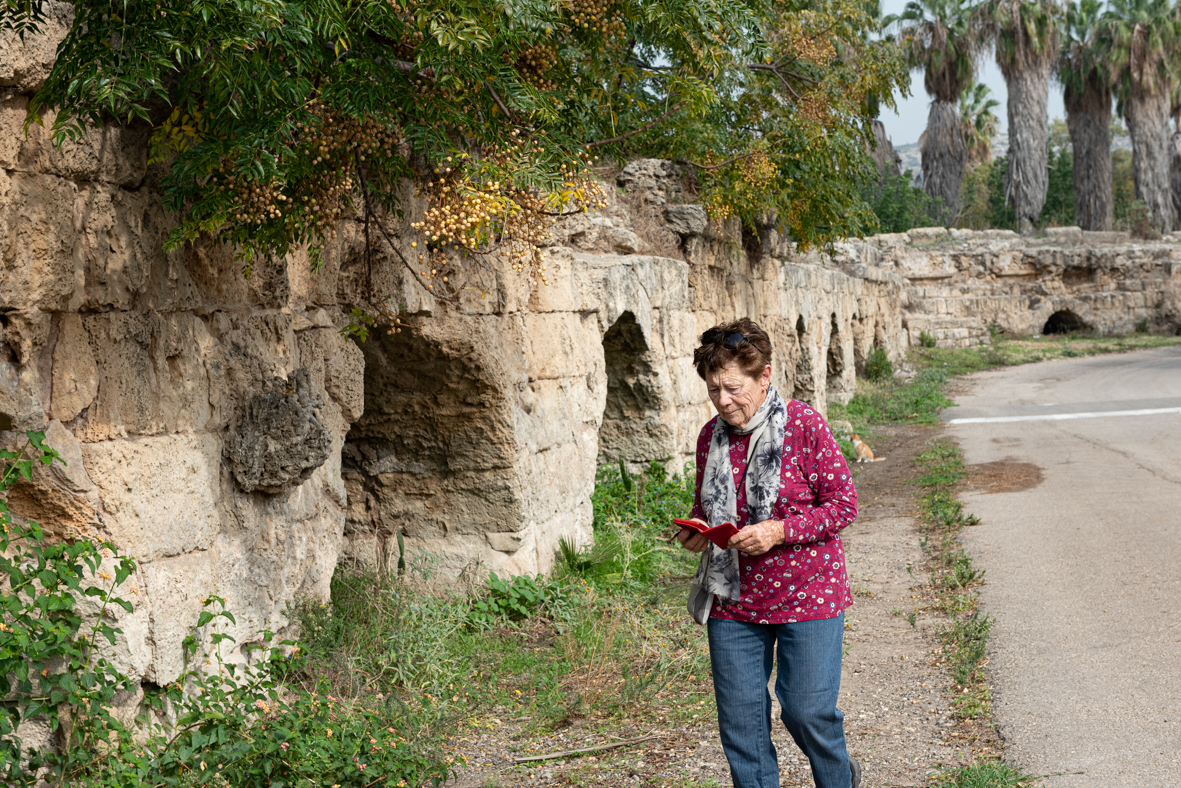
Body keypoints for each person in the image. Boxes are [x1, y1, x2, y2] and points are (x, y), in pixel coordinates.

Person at [676, 317, 861, 788]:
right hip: (734, 600)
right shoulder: (709, 438)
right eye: (713, 389)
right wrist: (696, 531)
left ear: (765, 376)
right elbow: (707, 504)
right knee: (741, 726)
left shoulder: (804, 425)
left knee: (806, 712)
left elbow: (843, 505)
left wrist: (779, 531)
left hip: (808, 594)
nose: (723, 401)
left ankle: (840, 778)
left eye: (733, 388)